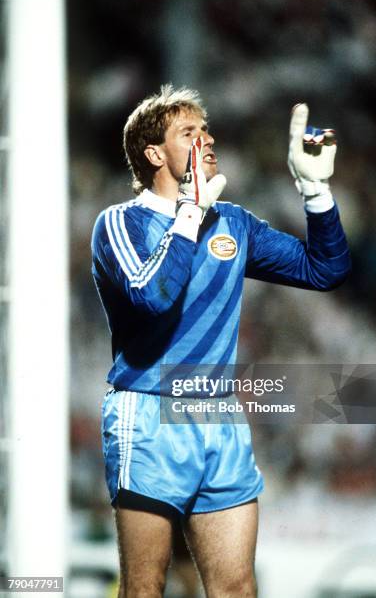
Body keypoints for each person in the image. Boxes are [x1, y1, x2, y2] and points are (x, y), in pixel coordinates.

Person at [91, 84, 350, 597]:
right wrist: (188, 214)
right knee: (144, 587)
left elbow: (326, 270)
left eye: (205, 129)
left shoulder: (232, 222)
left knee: (236, 587)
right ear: (153, 153)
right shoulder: (118, 223)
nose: (206, 139)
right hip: (148, 413)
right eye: (188, 132)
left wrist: (316, 194)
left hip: (219, 416)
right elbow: (152, 296)